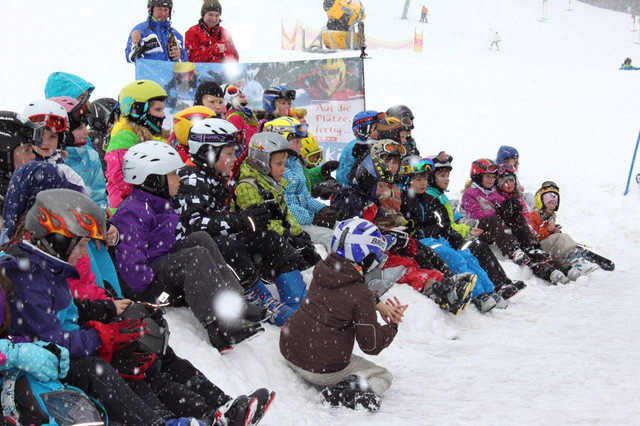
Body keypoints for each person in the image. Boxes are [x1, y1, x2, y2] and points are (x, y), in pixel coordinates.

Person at [111, 141, 265, 352]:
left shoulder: (157, 202)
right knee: (195, 256)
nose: (179, 179)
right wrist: (167, 284)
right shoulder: (133, 212)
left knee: (200, 238)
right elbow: (132, 268)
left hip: (158, 269)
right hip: (146, 289)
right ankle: (219, 327)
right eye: (173, 174)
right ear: (154, 179)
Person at [175, 120, 301, 326]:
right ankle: (260, 300)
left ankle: (296, 300)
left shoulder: (217, 175)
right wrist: (239, 221)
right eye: (229, 153)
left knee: (268, 237)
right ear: (208, 153)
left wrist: (252, 217)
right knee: (229, 246)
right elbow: (194, 225)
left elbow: (222, 216)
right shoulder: (191, 178)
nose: (234, 159)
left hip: (218, 241)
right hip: (195, 251)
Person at [280, 218, 400, 413]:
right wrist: (392, 327)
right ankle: (347, 393)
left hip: (289, 349)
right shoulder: (360, 294)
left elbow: (343, 294)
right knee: (383, 375)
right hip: (320, 369)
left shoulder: (322, 269)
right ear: (366, 256)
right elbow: (371, 345)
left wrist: (376, 304)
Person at [400, 155, 525, 312]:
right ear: (407, 179)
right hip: (422, 242)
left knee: (467, 255)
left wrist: (457, 239)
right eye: (418, 179)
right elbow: (406, 227)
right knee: (453, 257)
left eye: (425, 179)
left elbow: (445, 225)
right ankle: (477, 294)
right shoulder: (403, 201)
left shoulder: (431, 201)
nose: (423, 183)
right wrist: (425, 231)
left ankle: (490, 290)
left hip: (439, 239)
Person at [234, 132, 318, 311]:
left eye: (284, 164)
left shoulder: (271, 182)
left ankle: (316, 290)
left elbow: (285, 214)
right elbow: (260, 225)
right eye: (279, 164)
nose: (283, 169)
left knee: (307, 251)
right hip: (256, 249)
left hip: (273, 241)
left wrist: (298, 233)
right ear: (262, 163)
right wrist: (287, 235)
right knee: (284, 249)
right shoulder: (248, 187)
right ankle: (296, 301)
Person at [461, 159, 570, 285]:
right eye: (488, 177)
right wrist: (498, 210)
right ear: (478, 177)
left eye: (493, 177)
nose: (491, 180)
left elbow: (503, 206)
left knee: (516, 217)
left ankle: (535, 251)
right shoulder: (470, 193)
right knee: (493, 220)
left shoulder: (492, 192)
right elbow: (475, 215)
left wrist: (510, 207)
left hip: (499, 229)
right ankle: (513, 250)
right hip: (480, 230)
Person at [105, 79, 169, 209]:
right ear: (138, 110)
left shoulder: (158, 137)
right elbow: (121, 178)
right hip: (127, 211)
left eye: (163, 110)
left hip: (152, 207)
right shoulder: (123, 137)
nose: (163, 116)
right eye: (158, 109)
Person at [530, 181, 602, 274]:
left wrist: (555, 231)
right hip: (538, 248)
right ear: (541, 202)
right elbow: (533, 236)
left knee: (563, 236)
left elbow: (552, 234)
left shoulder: (550, 217)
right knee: (562, 237)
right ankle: (577, 261)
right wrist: (548, 230)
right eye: (549, 203)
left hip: (548, 247)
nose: (552, 206)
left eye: (554, 203)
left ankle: (574, 261)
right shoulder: (533, 215)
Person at [50, 96, 108, 210]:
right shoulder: (51, 160)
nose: (86, 131)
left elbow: (98, 195)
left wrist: (99, 218)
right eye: (80, 128)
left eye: (86, 126)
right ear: (64, 132)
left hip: (87, 220)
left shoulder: (91, 157)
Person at [22, 100, 87, 193]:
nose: (46, 143)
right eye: (40, 137)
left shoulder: (67, 174)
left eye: (52, 137)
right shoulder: (20, 168)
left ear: (61, 139)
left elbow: (82, 202)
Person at [0, 111, 42, 213]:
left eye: (32, 150)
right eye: (27, 150)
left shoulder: (21, 189)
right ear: (4, 155)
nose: (33, 156)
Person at [336, 110, 385, 186]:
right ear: (364, 130)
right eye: (376, 128)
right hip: (352, 192)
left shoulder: (377, 144)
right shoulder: (354, 148)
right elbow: (347, 177)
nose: (381, 131)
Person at [295, 58, 364, 100]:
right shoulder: (313, 80)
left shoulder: (351, 83)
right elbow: (294, 83)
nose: (331, 81)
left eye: (334, 77)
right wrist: (304, 81)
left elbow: (370, 90)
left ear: (341, 75)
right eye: (327, 78)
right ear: (322, 76)